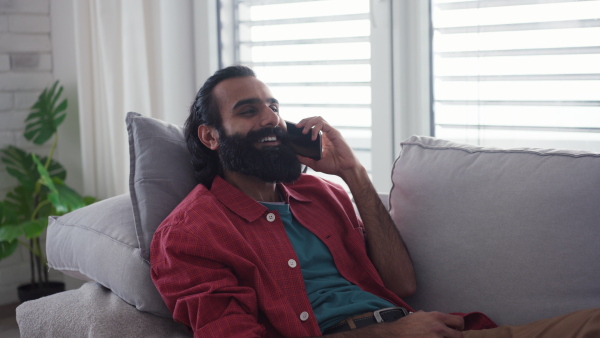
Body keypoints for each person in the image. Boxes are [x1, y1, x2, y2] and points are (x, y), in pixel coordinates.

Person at [150, 65, 600, 337]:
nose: (272, 118)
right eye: (249, 111)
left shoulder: (319, 194)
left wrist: (353, 174)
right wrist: (392, 334)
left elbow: (401, 284)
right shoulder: (191, 235)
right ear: (210, 136)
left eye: (273, 106)